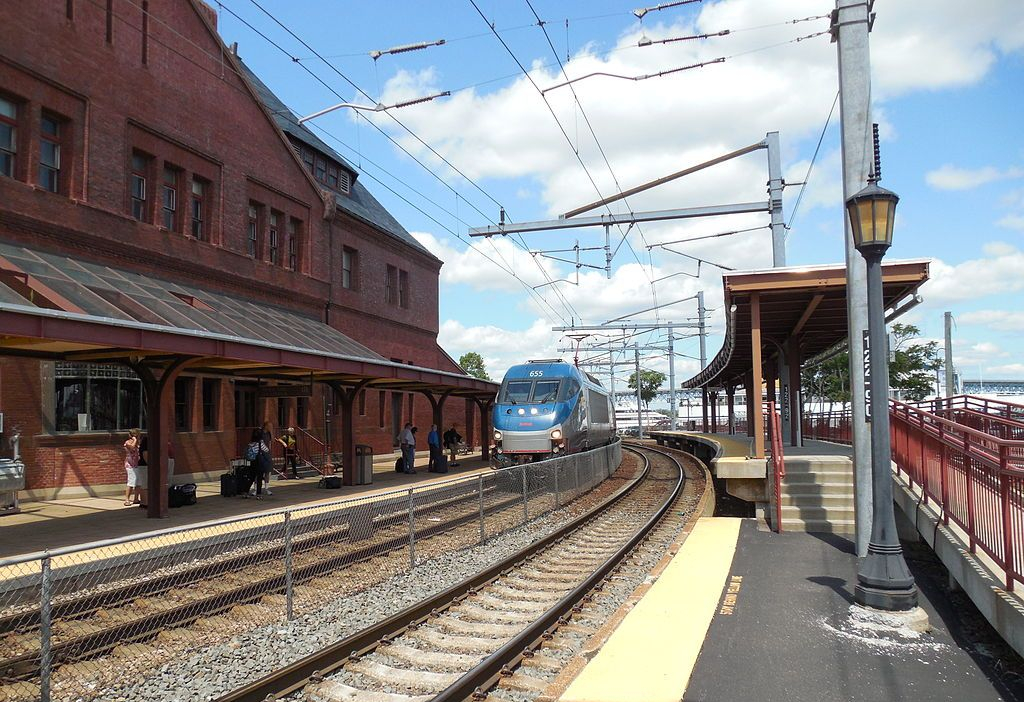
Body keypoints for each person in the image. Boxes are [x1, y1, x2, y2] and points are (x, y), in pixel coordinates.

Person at [246, 429, 271, 499]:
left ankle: (246, 492)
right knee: (259, 478)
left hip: (252, 462)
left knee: (251, 478)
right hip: (259, 462)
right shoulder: (260, 443)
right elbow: (266, 450)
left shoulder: (251, 443)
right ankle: (258, 494)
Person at [123, 429, 141, 506]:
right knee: (131, 482)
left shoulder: (138, 443)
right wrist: (134, 440)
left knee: (138, 483)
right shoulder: (127, 442)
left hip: (138, 464)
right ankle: (127, 499)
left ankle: (136, 499)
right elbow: (132, 448)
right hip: (130, 465)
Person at [136, 432, 149, 508]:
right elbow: (145, 454)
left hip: (143, 466)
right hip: (144, 466)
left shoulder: (144, 444)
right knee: (145, 485)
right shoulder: (146, 444)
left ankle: (144, 502)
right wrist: (150, 465)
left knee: (144, 485)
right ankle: (145, 503)